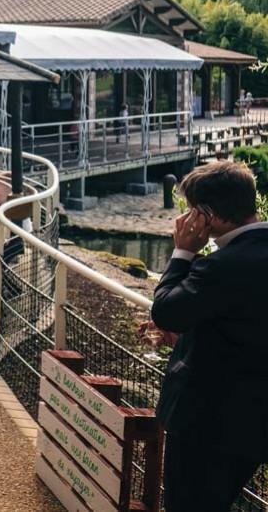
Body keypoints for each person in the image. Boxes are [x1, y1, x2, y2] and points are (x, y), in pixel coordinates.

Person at [149, 161, 268, 512]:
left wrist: (183, 253)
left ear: (206, 215)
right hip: (254, 422)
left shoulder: (223, 265)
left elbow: (166, 311)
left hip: (207, 423)